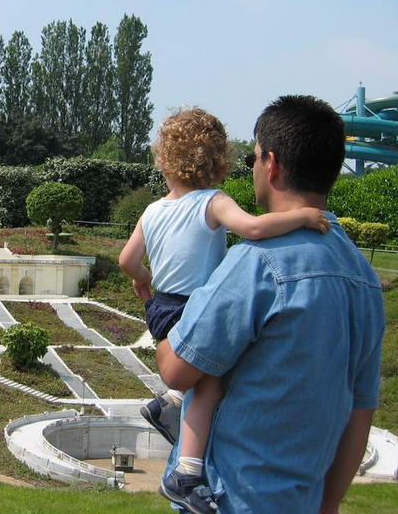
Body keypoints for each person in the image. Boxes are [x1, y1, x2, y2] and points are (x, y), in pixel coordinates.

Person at [155, 96, 384, 513]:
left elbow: (177, 370)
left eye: (253, 157)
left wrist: (161, 303)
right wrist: (329, 504)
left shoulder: (258, 262)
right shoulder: (364, 276)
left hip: (233, 499)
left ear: (272, 164)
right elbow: (360, 410)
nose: (254, 167)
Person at [119, 107, 329, 513]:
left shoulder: (152, 211)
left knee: (209, 373)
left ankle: (169, 404)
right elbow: (252, 228)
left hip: (162, 306)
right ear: (217, 160)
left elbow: (127, 260)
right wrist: (299, 216)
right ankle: (187, 471)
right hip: (197, 309)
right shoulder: (212, 202)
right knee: (213, 385)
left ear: (164, 158)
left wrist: (144, 280)